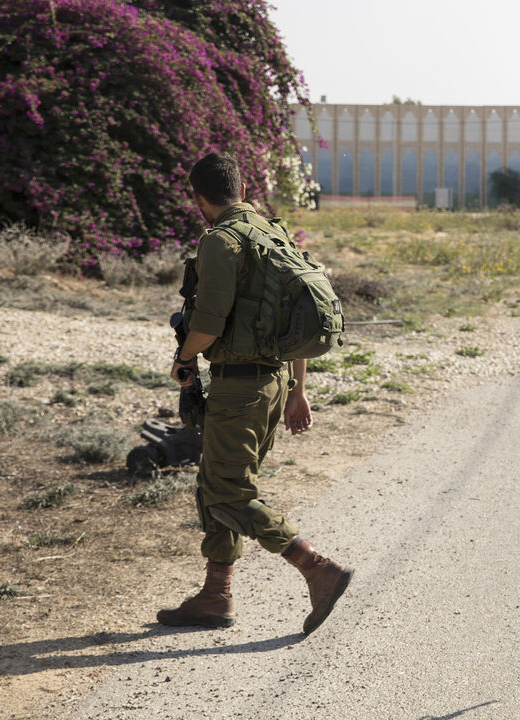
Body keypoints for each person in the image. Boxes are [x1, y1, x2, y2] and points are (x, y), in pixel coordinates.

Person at [157, 153, 352, 635]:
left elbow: (208, 322)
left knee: (227, 491)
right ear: (242, 188)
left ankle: (316, 567)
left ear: (198, 197)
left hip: (241, 387)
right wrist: (297, 391)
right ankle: (214, 595)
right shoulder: (273, 233)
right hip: (273, 384)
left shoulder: (221, 240)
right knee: (217, 483)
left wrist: (184, 361)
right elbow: (294, 326)